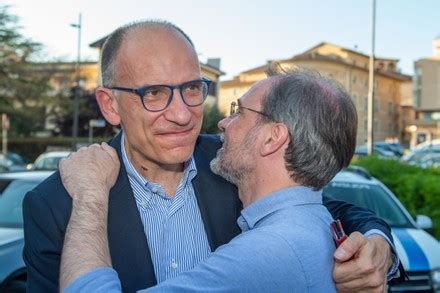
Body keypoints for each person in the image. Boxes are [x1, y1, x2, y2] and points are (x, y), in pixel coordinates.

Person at [22, 20, 398, 293]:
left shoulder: (236, 162)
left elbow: (320, 206)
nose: (183, 113)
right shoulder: (57, 204)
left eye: (191, 88)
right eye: (154, 93)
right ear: (110, 105)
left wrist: (380, 244)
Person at [61, 68, 358, 292]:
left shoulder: (267, 253)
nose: (223, 123)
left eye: (239, 112)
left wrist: (90, 194)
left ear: (272, 138)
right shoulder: (313, 224)